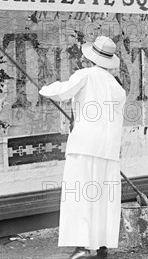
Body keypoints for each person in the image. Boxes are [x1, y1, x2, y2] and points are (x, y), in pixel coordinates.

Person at [39, 36, 126, 259]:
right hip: (108, 150)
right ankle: (101, 247)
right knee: (103, 197)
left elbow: (62, 92)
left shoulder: (86, 75)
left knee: (80, 196)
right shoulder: (117, 88)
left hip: (85, 146)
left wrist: (44, 89)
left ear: (91, 57)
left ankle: (84, 247)